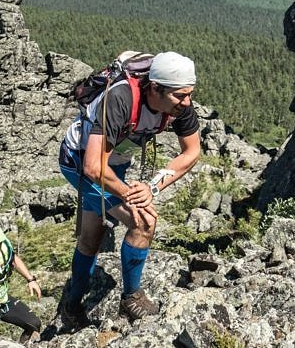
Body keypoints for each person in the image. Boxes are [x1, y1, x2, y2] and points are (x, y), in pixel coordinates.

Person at [59, 51, 201, 324]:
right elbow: (93, 166)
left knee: (92, 236)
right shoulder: (121, 98)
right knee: (144, 220)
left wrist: (152, 188)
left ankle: (72, 305)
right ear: (155, 87)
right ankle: (131, 298)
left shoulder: (179, 105)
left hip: (113, 164)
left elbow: (192, 152)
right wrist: (129, 195)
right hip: (80, 161)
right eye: (180, 96)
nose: (187, 102)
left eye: (189, 94)